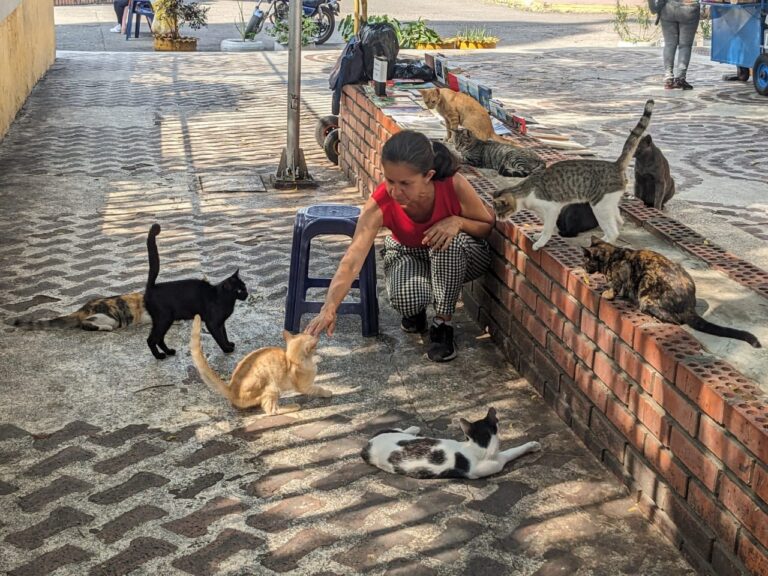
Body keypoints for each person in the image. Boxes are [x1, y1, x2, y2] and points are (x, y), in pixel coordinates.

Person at [304, 130, 495, 362]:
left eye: (405, 183)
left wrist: (458, 221)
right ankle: (415, 312)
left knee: (448, 242)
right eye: (390, 180)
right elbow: (353, 258)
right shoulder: (381, 202)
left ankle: (442, 324)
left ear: (428, 175)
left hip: (460, 254)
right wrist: (329, 307)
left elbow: (486, 225)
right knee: (407, 299)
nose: (396, 191)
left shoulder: (452, 184)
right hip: (409, 251)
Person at [659, 0, 701, 90]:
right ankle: (680, 78)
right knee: (685, 45)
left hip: (668, 7)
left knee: (669, 44)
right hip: (689, 8)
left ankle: (668, 78)